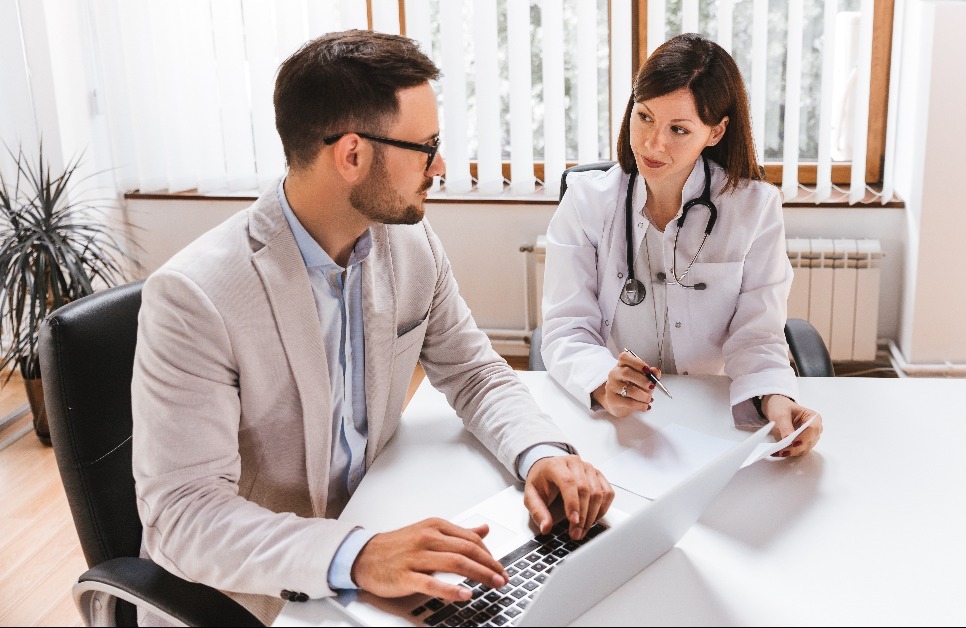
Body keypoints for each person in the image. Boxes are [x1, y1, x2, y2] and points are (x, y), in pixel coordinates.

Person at [130, 30, 613, 625]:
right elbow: (183, 516)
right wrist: (356, 554)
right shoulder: (194, 298)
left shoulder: (408, 241)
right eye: (426, 146)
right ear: (352, 155)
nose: (439, 165)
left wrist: (539, 454)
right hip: (260, 596)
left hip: (379, 529)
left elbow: (474, 371)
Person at [540, 33, 824, 457]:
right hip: (621, 424)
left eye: (678, 129)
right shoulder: (586, 202)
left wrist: (775, 398)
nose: (654, 144)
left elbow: (757, 336)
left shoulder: (754, 208)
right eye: (645, 117)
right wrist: (602, 381)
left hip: (713, 415)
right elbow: (566, 327)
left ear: (716, 131)